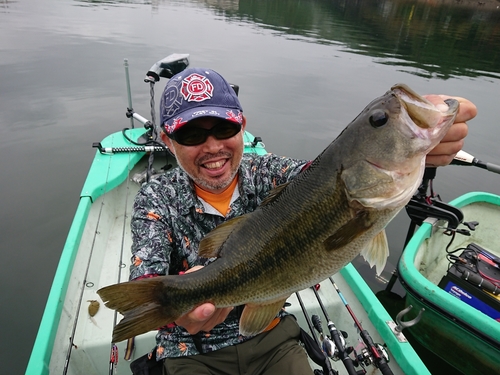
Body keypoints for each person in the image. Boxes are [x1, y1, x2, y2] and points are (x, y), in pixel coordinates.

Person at [129, 67, 476, 375]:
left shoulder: (271, 173)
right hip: (191, 352)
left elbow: (323, 173)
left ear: (242, 127)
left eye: (224, 127)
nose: (212, 146)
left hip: (271, 338)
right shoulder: (155, 198)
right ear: (168, 141)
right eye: (191, 135)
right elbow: (145, 285)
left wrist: (417, 144)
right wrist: (182, 310)